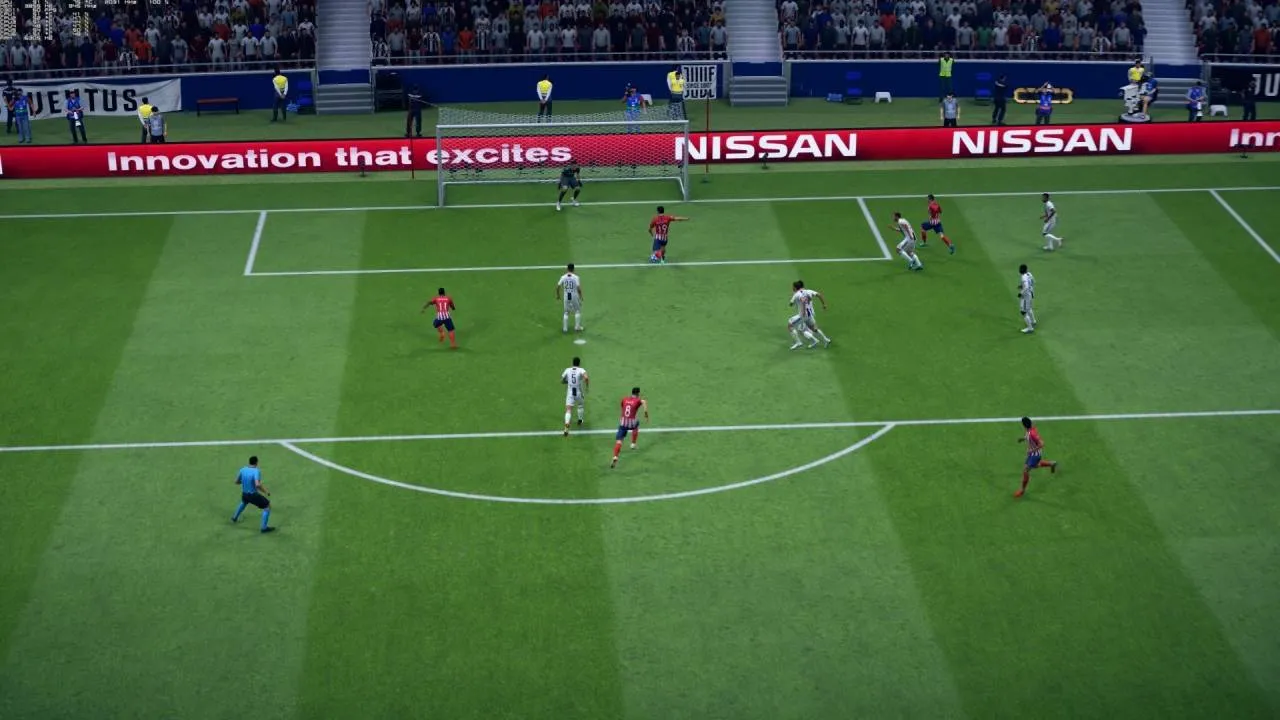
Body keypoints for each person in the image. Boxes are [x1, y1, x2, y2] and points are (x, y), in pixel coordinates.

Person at [1014, 416, 1057, 498]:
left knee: (1026, 470)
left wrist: (1032, 450)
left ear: (1024, 425)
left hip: (1035, 455)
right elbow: (1028, 436)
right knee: (1036, 465)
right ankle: (1052, 464)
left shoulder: (1032, 433)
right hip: (1033, 455)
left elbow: (1042, 444)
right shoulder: (1030, 429)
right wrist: (1023, 439)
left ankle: (1022, 490)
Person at [231, 456, 275, 533]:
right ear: (256, 462)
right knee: (267, 506)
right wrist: (266, 491)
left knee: (244, 502)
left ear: (249, 462)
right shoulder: (256, 471)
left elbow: (236, 482)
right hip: (253, 495)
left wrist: (244, 482)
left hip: (244, 494)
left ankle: (235, 517)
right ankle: (264, 527)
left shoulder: (243, 469)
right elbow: (257, 484)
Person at [610, 387, 649, 468]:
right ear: (638, 393)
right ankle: (633, 444)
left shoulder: (624, 399)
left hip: (623, 423)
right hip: (631, 423)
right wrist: (646, 414)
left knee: (619, 441)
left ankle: (615, 456)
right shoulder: (637, 400)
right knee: (636, 424)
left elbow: (622, 406)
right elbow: (644, 402)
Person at [789, 280, 831, 349]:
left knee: (790, 325)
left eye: (793, 287)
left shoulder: (796, 294)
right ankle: (826, 339)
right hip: (810, 314)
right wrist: (824, 304)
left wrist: (801, 308)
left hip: (803, 315)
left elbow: (791, 304)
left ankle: (799, 342)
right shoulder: (809, 291)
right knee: (814, 328)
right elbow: (819, 295)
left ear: (795, 288)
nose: (792, 288)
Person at [561, 357, 589, 436]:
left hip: (570, 393)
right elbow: (586, 377)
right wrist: (587, 386)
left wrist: (567, 381)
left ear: (572, 363)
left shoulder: (567, 370)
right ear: (579, 363)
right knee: (580, 405)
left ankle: (566, 426)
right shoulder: (581, 370)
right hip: (578, 392)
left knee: (568, 410)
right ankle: (580, 420)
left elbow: (562, 380)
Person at [556, 263, 583, 333]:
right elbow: (578, 288)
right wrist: (581, 296)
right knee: (577, 311)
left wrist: (558, 295)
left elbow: (558, 287)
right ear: (573, 269)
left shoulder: (563, 277)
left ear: (567, 269)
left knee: (566, 312)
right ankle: (577, 327)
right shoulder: (576, 277)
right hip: (574, 295)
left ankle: (565, 328)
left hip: (566, 296)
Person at [1018, 263, 1036, 333]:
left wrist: (1021, 293)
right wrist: (1021, 286)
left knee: (1023, 311)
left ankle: (1030, 328)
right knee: (1029, 308)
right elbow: (1033, 282)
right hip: (1031, 293)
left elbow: (1026, 286)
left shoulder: (1023, 277)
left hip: (1026, 296)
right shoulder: (1029, 274)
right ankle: (1033, 321)